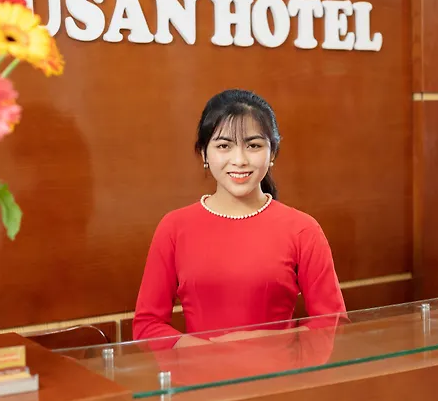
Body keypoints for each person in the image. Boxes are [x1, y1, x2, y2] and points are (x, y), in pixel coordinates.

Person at [133, 89, 346, 349]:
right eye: (224, 146)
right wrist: (209, 353)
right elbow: (147, 325)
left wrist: (256, 344)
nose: (239, 160)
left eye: (253, 145)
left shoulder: (303, 229)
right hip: (200, 373)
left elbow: (332, 321)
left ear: (272, 152)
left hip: (280, 372)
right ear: (204, 153)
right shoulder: (174, 227)